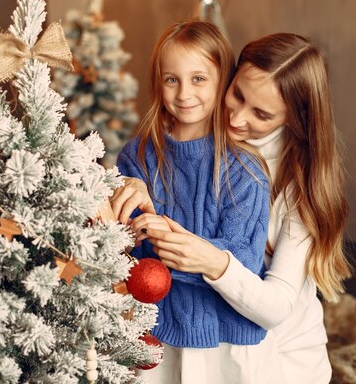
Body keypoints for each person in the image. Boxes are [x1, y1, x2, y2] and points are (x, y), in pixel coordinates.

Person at [113, 33, 353, 384]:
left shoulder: (295, 186)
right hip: (197, 326)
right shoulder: (167, 147)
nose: (237, 118)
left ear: (292, 119)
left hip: (275, 343)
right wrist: (124, 186)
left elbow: (274, 308)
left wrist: (212, 260)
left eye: (261, 114)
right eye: (237, 94)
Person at [115, 21, 281, 384]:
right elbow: (121, 248)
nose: (184, 92)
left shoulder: (244, 168)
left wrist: (170, 241)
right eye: (171, 79)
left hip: (223, 338)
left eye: (199, 79)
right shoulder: (137, 156)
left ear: (224, 79)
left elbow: (244, 259)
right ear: (158, 82)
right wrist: (132, 223)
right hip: (155, 329)